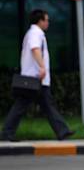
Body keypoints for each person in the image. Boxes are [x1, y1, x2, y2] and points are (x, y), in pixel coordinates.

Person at [1, 10, 74, 142]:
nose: (48, 23)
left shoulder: (34, 33)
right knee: (23, 106)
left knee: (45, 105)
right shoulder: (36, 33)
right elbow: (35, 49)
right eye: (46, 20)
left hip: (35, 78)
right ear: (40, 21)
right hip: (34, 78)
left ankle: (62, 131)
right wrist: (42, 67)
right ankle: (6, 133)